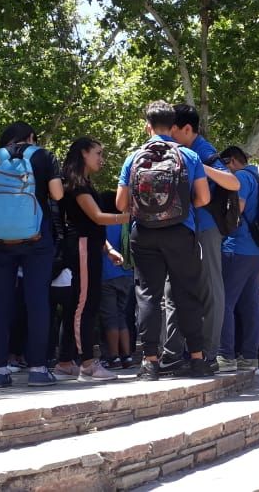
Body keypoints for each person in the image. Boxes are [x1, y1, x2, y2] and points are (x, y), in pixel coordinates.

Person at [117, 101, 213, 379]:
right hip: (181, 231)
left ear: (147, 126)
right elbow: (204, 198)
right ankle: (197, 359)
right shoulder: (189, 156)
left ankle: (150, 362)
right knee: (187, 293)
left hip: (144, 232)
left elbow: (121, 204)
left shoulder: (133, 158)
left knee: (148, 295)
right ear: (173, 127)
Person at [0, 122, 63, 388]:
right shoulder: (44, 156)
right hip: (36, 237)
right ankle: (38, 369)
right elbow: (57, 194)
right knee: (37, 301)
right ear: (32, 137)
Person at [166, 105, 240, 369]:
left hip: (206, 227)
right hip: (186, 228)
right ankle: (180, 353)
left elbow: (232, 182)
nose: (169, 136)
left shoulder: (203, 150)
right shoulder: (181, 149)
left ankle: (209, 354)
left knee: (210, 289)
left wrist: (200, 166)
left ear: (187, 129)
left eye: (172, 130)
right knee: (176, 290)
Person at [55, 137, 127, 382]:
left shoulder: (84, 183)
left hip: (91, 246)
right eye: (98, 153)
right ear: (83, 153)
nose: (101, 159)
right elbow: (96, 217)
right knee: (84, 305)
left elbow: (91, 223)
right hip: (82, 247)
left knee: (78, 305)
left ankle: (65, 362)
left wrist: (108, 249)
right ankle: (87, 364)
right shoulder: (76, 185)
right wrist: (129, 216)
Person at [217, 145, 259, 373]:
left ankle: (226, 356)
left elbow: (235, 212)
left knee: (225, 302)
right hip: (257, 250)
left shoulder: (241, 178)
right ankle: (250, 357)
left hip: (237, 247)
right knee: (251, 305)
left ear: (231, 161)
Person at [99, 191, 134, 370]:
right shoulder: (124, 224)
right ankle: (126, 356)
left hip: (107, 275)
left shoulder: (102, 225)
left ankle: (113, 357)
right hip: (126, 274)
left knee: (110, 318)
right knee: (122, 316)